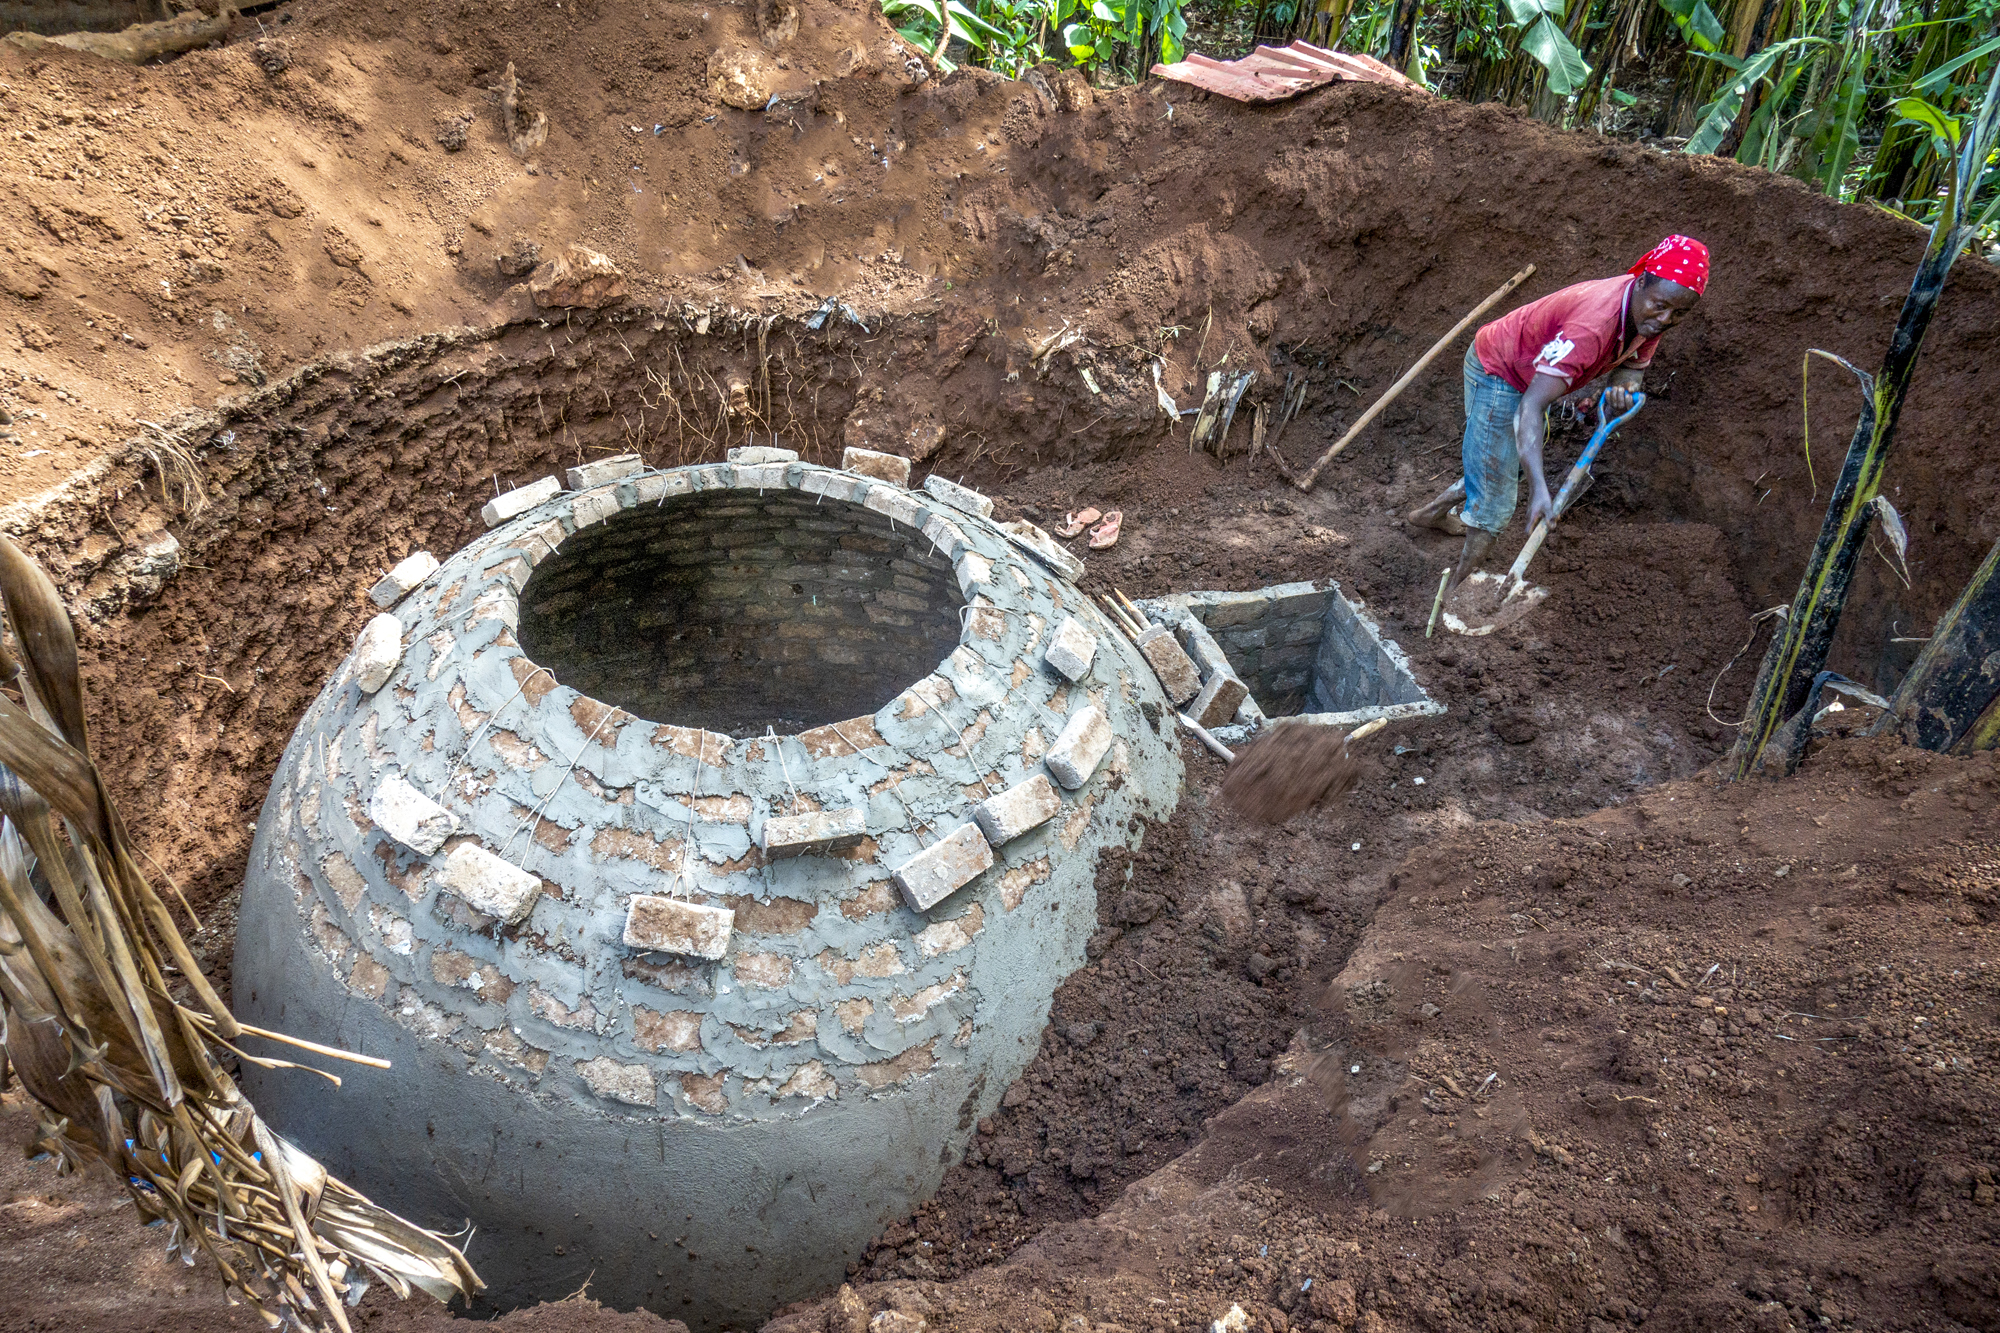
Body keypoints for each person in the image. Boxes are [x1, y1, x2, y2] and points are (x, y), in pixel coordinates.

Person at [1407, 236, 1708, 592]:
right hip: (1500, 372)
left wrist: (1623, 389)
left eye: (1679, 314)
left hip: (1530, 376)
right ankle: (1457, 591)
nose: (1666, 320)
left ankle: (1429, 515)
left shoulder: (1649, 312)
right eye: (1661, 307)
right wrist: (1539, 488)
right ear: (1642, 280)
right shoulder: (1594, 325)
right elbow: (1530, 407)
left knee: (1505, 468)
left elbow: (1633, 367)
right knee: (1496, 504)